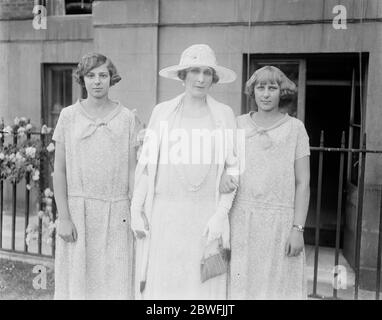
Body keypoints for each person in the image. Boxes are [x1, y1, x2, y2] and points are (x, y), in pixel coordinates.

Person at [130, 44, 239, 299]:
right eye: (194, 71)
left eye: (207, 73)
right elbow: (147, 165)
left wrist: (220, 215)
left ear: (214, 79)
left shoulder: (224, 115)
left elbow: (234, 169)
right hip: (165, 215)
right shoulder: (163, 112)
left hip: (205, 218)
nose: (200, 79)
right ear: (183, 75)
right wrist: (136, 209)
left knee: (200, 290)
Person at [52, 53, 139, 299]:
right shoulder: (68, 116)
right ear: (82, 79)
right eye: (91, 76)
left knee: (116, 285)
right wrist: (64, 217)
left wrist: (135, 214)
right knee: (79, 287)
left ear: (112, 79)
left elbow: (133, 170)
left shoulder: (127, 118)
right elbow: (59, 170)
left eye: (103, 75)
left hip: (117, 213)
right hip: (79, 213)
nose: (97, 81)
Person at [222, 66, 310, 299]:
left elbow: (303, 183)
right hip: (242, 220)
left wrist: (297, 229)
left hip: (280, 223)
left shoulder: (295, 129)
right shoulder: (238, 124)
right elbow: (224, 166)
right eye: (261, 88)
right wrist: (224, 176)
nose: (266, 94)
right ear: (253, 91)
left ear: (282, 92)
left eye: (272, 88)